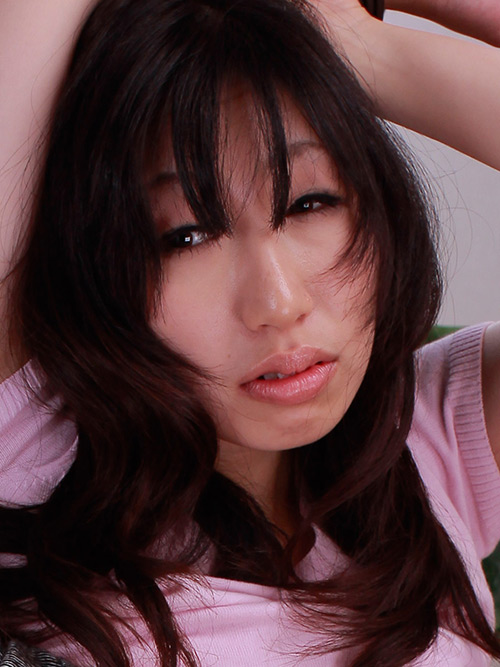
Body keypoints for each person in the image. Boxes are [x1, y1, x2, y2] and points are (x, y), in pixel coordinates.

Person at [1, 0, 500, 665]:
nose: (279, 302)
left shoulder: (417, 448)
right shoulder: (36, 463)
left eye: (309, 202)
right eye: (185, 236)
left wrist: (363, 46)